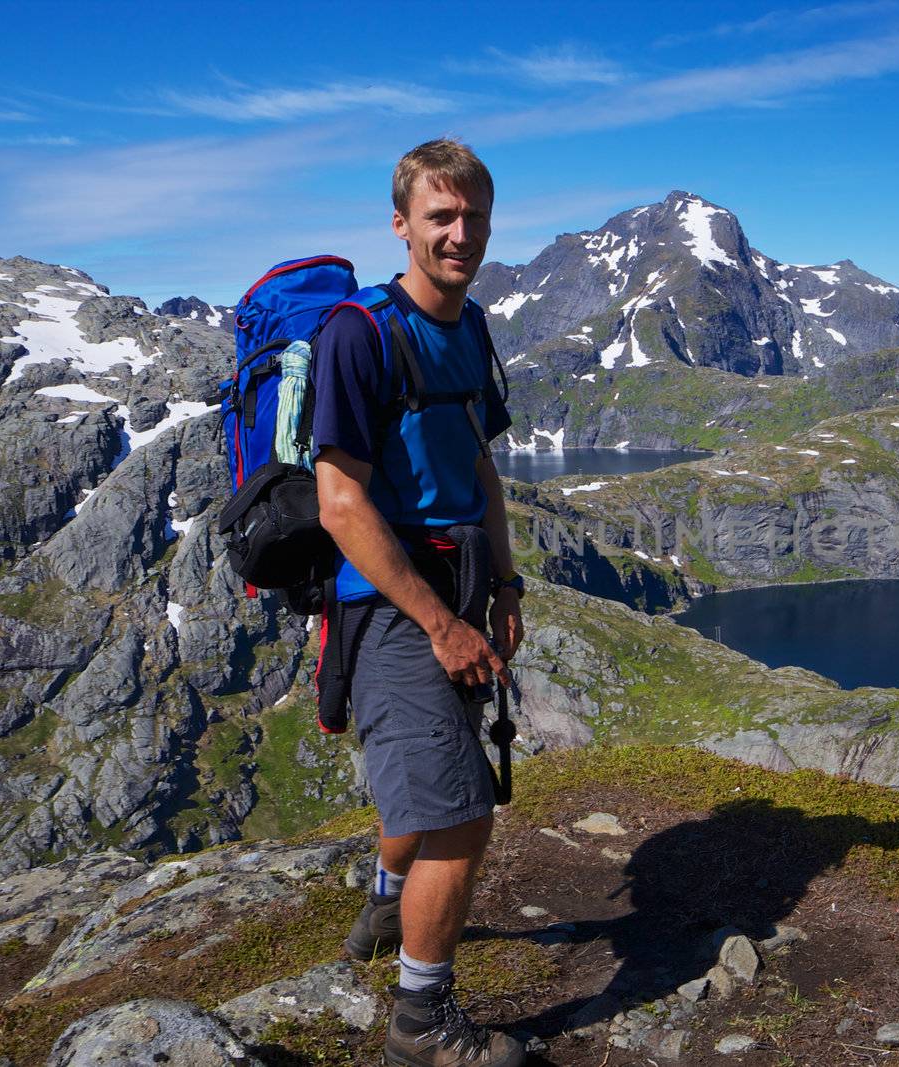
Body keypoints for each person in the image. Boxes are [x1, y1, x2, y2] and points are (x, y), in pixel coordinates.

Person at [313, 137, 527, 1067]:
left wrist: (505, 582)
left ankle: (380, 902)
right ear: (400, 224)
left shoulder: (471, 327)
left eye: (473, 215)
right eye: (441, 216)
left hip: (459, 586)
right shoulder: (361, 334)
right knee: (460, 810)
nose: (460, 234)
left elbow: (479, 461)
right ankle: (419, 1023)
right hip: (391, 602)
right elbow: (340, 499)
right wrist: (439, 624)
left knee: (432, 776)